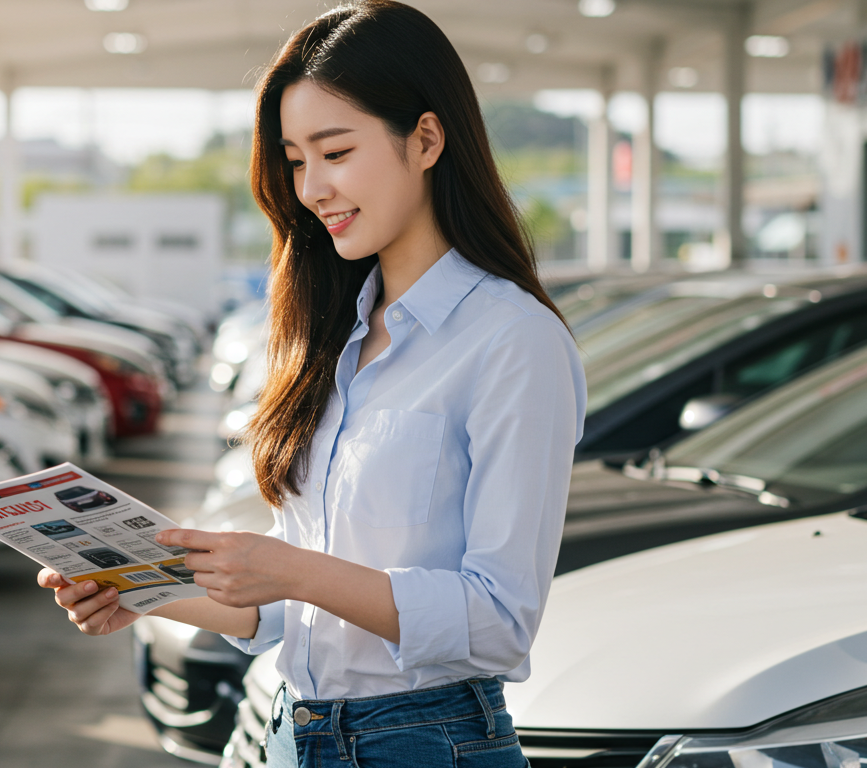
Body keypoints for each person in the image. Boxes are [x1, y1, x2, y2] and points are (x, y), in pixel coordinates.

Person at [38, 2, 586, 766]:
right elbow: (292, 609)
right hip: (294, 734)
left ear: (426, 139)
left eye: (335, 152)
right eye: (296, 161)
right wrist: (138, 592)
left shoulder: (512, 340)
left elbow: (499, 619)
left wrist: (294, 570)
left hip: (428, 744)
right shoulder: (334, 335)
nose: (312, 187)